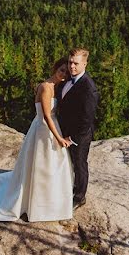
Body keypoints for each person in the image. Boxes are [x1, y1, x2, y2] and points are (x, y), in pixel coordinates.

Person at [0, 57, 74, 222]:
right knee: (42, 164)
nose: (64, 74)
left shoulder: (56, 86)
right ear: (55, 69)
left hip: (50, 126)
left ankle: (49, 198)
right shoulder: (45, 87)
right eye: (61, 70)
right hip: (44, 129)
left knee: (51, 165)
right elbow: (45, 116)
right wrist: (58, 138)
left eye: (67, 72)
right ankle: (36, 202)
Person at [56, 48, 99, 210]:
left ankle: (80, 196)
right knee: (65, 161)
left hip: (79, 136)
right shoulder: (67, 79)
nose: (71, 66)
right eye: (70, 62)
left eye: (76, 63)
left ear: (85, 64)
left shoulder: (89, 89)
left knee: (79, 164)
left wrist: (71, 138)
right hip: (63, 129)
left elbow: (86, 120)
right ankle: (66, 187)